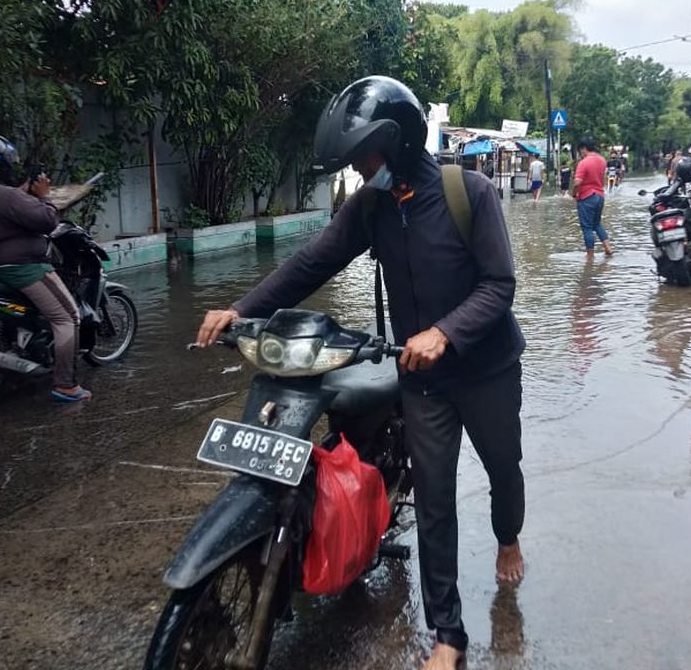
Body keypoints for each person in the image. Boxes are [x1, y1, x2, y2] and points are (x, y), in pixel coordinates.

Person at [195, 76, 526, 670]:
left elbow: (499, 285)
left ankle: (508, 536)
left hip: (487, 370)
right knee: (434, 504)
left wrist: (445, 331)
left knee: (505, 471)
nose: (357, 168)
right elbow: (310, 262)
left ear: (395, 143)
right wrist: (241, 310)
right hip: (421, 379)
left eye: (362, 157)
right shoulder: (370, 207)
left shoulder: (468, 192)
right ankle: (448, 636)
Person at [0, 135, 90, 403]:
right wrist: (44, 196)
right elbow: (47, 220)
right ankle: (66, 385)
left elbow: (4, 216)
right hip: (21, 268)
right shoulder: (2, 195)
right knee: (67, 318)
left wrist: (23, 193)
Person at [570, 138, 613, 259]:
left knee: (587, 227)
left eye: (580, 151)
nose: (581, 154)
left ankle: (590, 256)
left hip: (587, 197)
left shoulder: (584, 163)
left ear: (584, 148)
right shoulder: (602, 160)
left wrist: (574, 194)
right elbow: (604, 178)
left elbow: (577, 182)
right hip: (600, 196)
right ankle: (608, 248)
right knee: (597, 224)